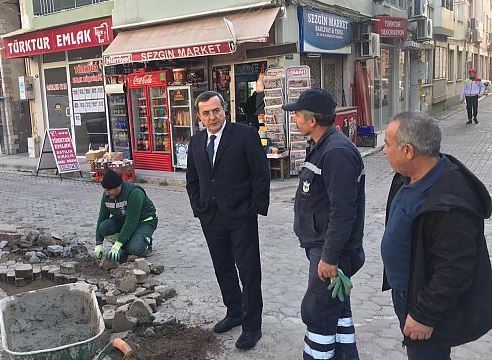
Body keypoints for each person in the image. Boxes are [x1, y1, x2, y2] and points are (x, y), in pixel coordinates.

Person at [381, 111, 492, 359]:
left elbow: (455, 268)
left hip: (425, 303)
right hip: (405, 292)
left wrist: (424, 315)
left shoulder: (450, 201)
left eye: (387, 144)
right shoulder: (406, 176)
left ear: (408, 151)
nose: (384, 151)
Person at [282, 88, 366, 360]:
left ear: (312, 121)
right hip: (323, 250)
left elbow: (343, 213)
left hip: (331, 254)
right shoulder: (322, 146)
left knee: (317, 313)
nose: (294, 118)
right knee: (337, 310)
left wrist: (329, 258)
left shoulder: (336, 152)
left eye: (297, 115)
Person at [185, 91, 270, 350]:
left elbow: (261, 174)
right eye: (207, 113)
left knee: (249, 271)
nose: (213, 117)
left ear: (225, 110)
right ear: (199, 116)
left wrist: (254, 208)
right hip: (211, 217)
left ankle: (252, 327)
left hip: (241, 216)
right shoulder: (196, 142)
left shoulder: (244, 134)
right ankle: (234, 312)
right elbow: (193, 179)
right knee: (223, 267)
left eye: (216, 111)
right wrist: (198, 207)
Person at [94, 170, 158, 263]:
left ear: (118, 187)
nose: (106, 193)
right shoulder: (107, 196)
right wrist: (98, 243)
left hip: (144, 221)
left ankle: (145, 244)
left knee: (135, 249)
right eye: (105, 190)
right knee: (104, 227)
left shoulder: (134, 193)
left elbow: (131, 222)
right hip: (123, 218)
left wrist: (117, 245)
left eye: (108, 190)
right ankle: (125, 246)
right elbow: (102, 218)